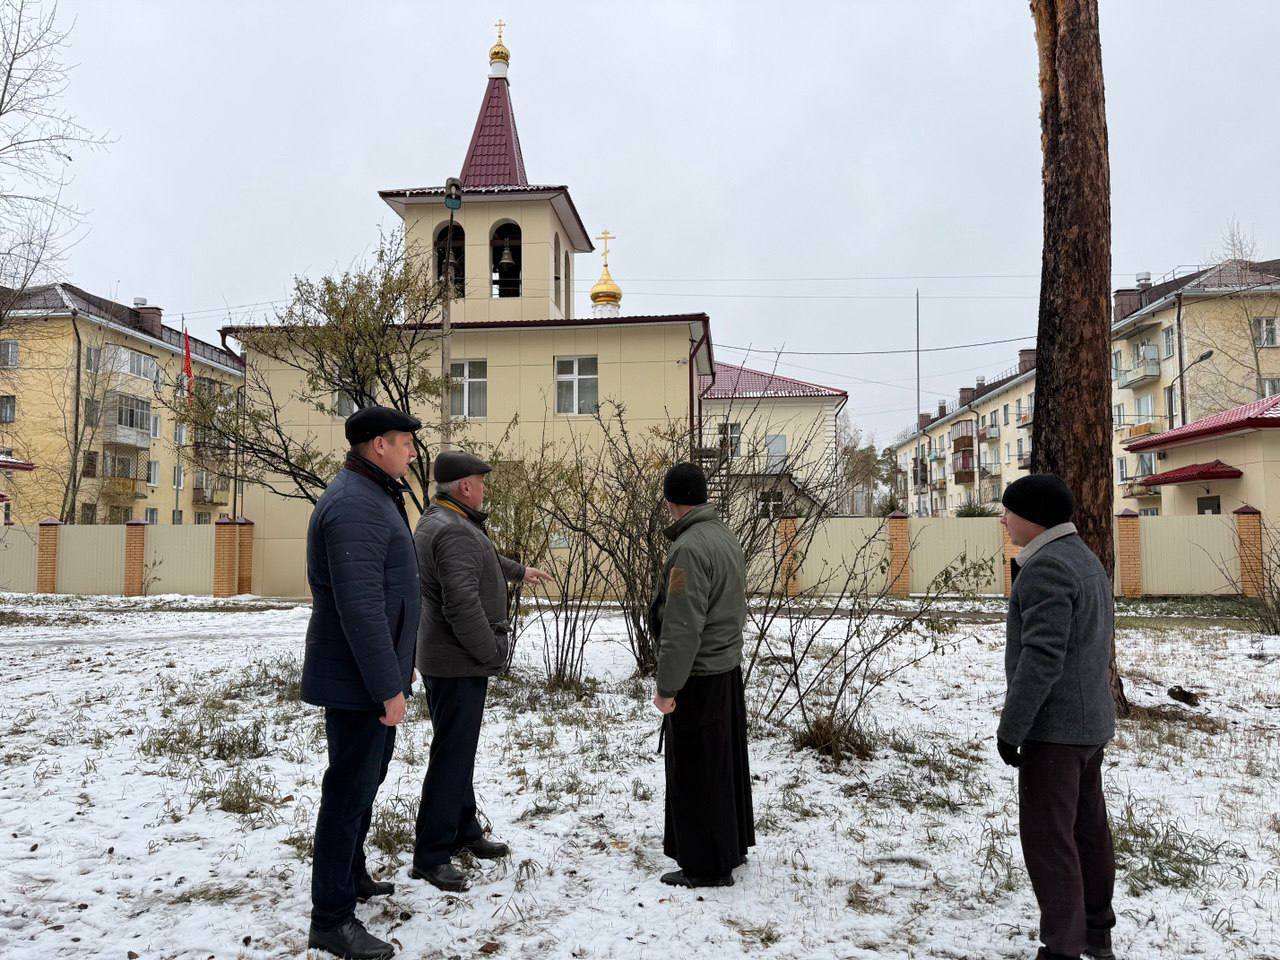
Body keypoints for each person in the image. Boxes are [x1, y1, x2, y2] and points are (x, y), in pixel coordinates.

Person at [302, 406, 423, 960]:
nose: (412, 452)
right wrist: (387, 687)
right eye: (405, 442)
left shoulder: (373, 495)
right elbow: (361, 610)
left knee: (363, 784)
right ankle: (331, 918)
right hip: (358, 682)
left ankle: (351, 877)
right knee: (347, 794)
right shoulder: (354, 505)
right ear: (377, 445)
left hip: (369, 677)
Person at [410, 450, 550, 891]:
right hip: (457, 661)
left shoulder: (445, 520)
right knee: (451, 756)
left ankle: (464, 830)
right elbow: (462, 604)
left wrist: (519, 571)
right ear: (465, 487)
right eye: (481, 481)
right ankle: (431, 853)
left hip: (446, 658)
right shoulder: (453, 531)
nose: (485, 488)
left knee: (458, 750)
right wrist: (492, 652)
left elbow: (484, 558)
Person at [997, 473, 1117, 960]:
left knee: (1051, 842)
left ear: (1031, 517)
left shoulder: (1047, 567)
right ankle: (1095, 935)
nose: (1003, 519)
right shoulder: (1083, 558)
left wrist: (1012, 728)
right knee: (1087, 830)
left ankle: (1062, 948)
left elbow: (1041, 659)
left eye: (1007, 511)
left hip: (1057, 731)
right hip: (1089, 725)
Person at [650, 462, 754, 888]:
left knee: (696, 769)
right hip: (724, 669)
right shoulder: (723, 535)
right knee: (722, 766)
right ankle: (729, 845)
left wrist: (667, 687)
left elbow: (681, 625)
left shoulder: (690, 548)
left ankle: (707, 866)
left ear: (671, 501)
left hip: (699, 674)